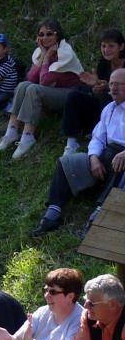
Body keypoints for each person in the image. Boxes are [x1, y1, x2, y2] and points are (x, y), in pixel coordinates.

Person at [30, 69, 125, 237]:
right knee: (66, 163)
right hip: (106, 156)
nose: (114, 88)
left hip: (122, 161)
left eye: (119, 84)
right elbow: (98, 137)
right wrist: (93, 158)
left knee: (121, 169)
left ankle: (98, 217)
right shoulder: (109, 109)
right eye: (111, 84)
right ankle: (52, 215)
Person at [0, 20, 83, 159]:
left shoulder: (65, 53)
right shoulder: (40, 52)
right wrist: (43, 54)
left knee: (34, 89)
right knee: (23, 85)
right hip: (51, 92)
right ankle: (11, 131)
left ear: (58, 35)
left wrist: (47, 58)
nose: (45, 38)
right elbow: (30, 78)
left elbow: (44, 81)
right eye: (41, 34)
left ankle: (28, 136)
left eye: (49, 34)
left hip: (70, 95)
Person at [60, 29, 125, 154]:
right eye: (103, 46)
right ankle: (71, 141)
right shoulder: (104, 64)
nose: (106, 50)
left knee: (106, 96)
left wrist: (108, 87)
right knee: (74, 95)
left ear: (121, 46)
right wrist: (95, 88)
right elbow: (99, 87)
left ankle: (106, 137)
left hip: (119, 109)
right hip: (102, 106)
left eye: (111, 46)